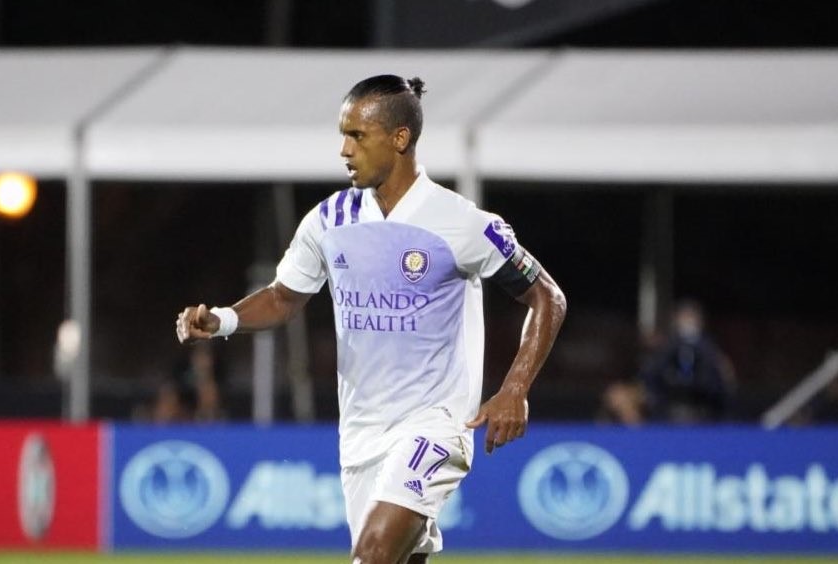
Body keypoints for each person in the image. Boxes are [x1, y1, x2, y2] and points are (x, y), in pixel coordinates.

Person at [175, 75, 566, 564]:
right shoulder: (329, 220)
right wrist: (225, 319)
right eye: (343, 135)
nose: (344, 150)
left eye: (357, 136)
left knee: (374, 553)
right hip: (360, 434)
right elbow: (283, 297)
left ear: (400, 138)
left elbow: (547, 297)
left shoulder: (462, 222)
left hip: (435, 424)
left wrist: (515, 388)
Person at [637, 300, 734, 423]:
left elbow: (719, 380)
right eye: (684, 317)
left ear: (700, 321)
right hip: (669, 405)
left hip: (703, 406)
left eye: (691, 317)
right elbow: (651, 374)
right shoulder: (666, 346)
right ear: (676, 320)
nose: (688, 322)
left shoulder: (709, 348)